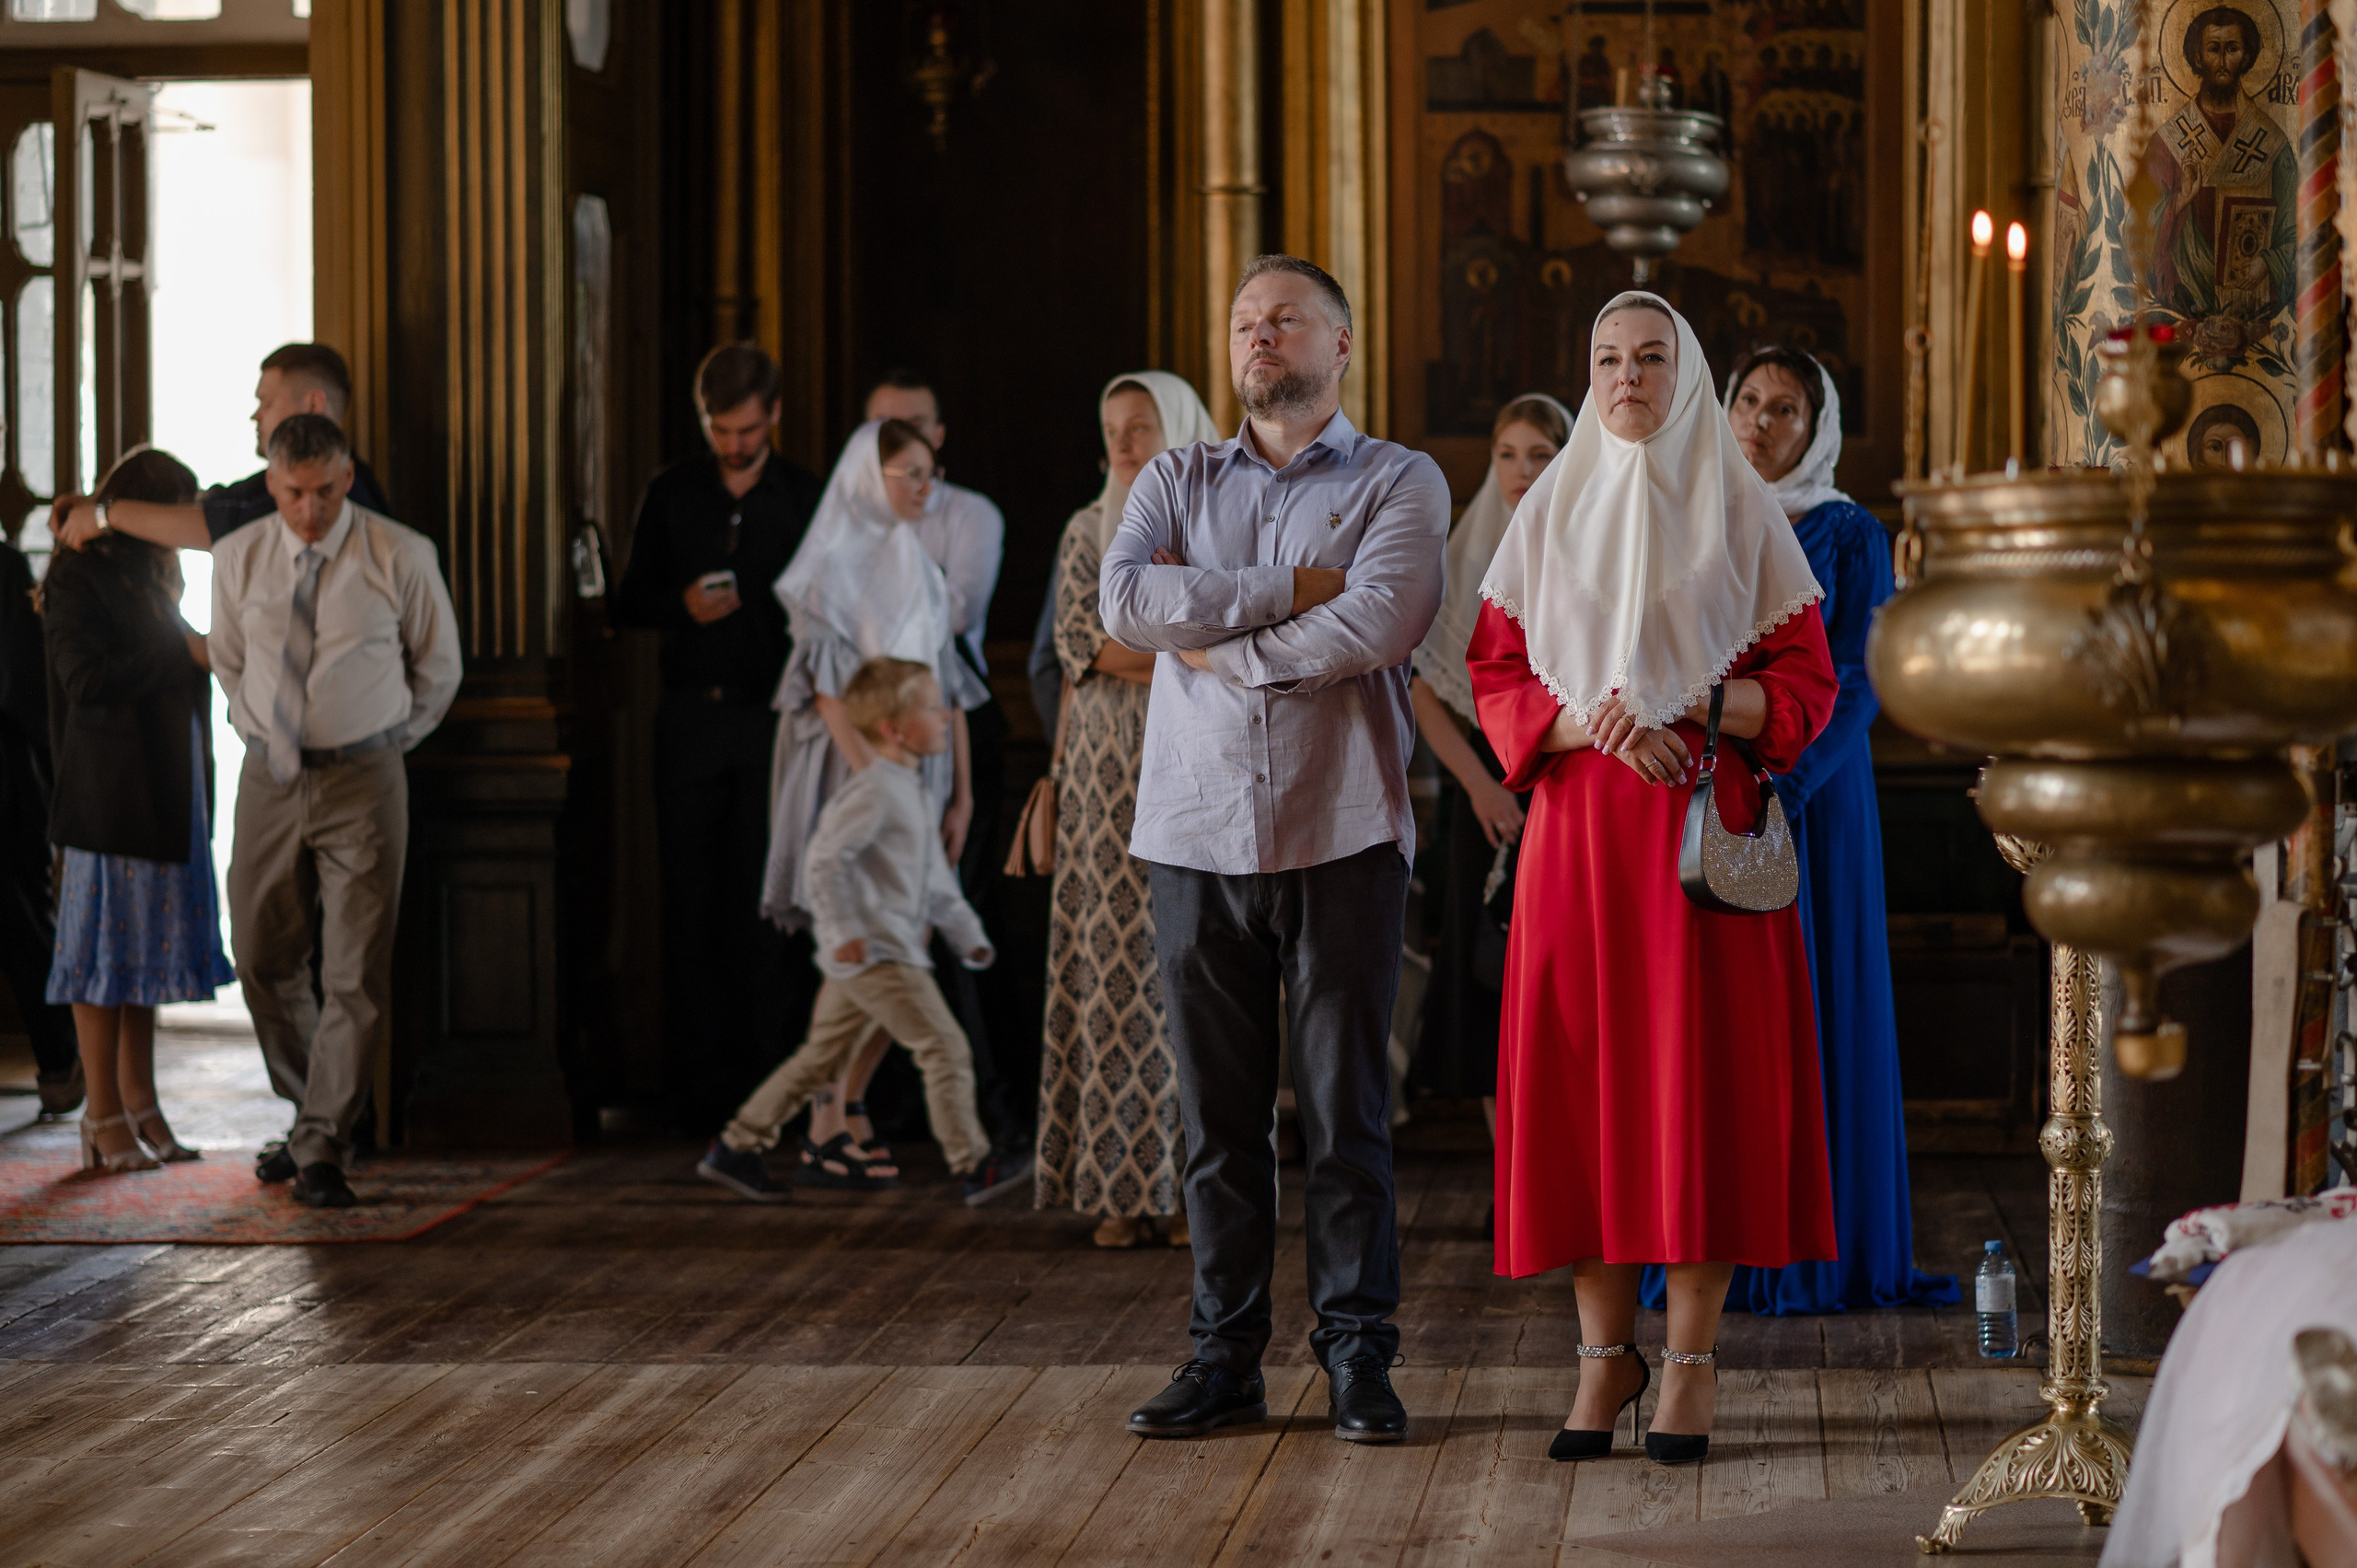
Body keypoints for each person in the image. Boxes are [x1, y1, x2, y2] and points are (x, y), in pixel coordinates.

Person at [1468, 292, 1838, 1466]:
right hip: (1578, 842)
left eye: (1650, 358)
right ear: (1588, 376)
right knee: (1587, 1091)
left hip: (1696, 844)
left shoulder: (1741, 509)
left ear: (1686, 376)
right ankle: (1600, 1357)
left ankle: (1687, 1364)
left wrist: (1692, 701)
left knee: (1698, 1088)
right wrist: (1595, 722)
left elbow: (1806, 690)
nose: (1627, 376)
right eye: (1607, 358)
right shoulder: (1547, 510)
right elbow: (1496, 677)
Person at [1101, 254, 1449, 1446]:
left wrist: (1215, 635)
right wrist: (1291, 586)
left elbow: (1380, 621)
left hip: (1342, 823)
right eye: (1245, 319)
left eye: (1285, 317)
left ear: (1340, 343)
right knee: (1218, 1121)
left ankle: (1358, 1356)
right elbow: (1126, 607)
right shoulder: (1174, 475)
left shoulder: (1400, 477)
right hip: (1195, 829)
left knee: (1347, 1114)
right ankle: (1224, 1357)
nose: (1258, 334)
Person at [1682, 344, 1956, 1315]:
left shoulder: (1848, 532)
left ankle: (1811, 1250)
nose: (1760, 422)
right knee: (1712, 1019)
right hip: (1707, 782)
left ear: (1817, 427)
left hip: (1814, 794)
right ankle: (1706, 1246)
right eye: (1748, 401)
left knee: (1810, 996)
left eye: (1784, 409)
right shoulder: (1694, 517)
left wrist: (1782, 786)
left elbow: (1860, 677)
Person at [760, 419, 1025, 1200]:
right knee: (870, 942)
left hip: (919, 771)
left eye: (929, 473)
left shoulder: (918, 562)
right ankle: (825, 1119)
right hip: (861, 774)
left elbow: (950, 687)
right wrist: (881, 784)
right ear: (866, 479)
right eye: (908, 473)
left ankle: (840, 1109)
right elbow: (829, 697)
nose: (923, 488)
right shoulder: (832, 566)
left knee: (900, 939)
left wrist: (961, 792)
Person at [211, 414, 463, 1209]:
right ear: (272, 483)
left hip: (366, 777)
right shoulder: (237, 556)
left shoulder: (400, 554)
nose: (310, 509)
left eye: (324, 491)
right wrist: (263, 734)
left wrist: (386, 740)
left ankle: (323, 1143)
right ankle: (309, 1114)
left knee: (355, 969)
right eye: (294, 493)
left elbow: (439, 667)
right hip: (270, 776)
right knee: (260, 954)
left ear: (347, 478)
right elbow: (229, 661)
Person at [610, 343, 825, 1132]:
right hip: (689, 719)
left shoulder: (804, 496)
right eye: (719, 430)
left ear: (774, 414)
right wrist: (681, 605)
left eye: (746, 430)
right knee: (690, 902)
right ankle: (700, 1092)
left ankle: (772, 1090)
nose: (733, 445)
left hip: (773, 720)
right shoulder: (672, 490)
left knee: (767, 904)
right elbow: (626, 599)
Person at [1034, 371, 1221, 1249]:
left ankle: (1192, 1195)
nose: (1123, 443)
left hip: (1197, 757)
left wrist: (1173, 630)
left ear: (1176, 429)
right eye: (1112, 427)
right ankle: (1117, 1187)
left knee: (1193, 971)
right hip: (1104, 775)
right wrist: (1193, 632)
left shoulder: (1215, 518)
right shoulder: (1086, 529)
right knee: (1110, 975)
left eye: (1141, 426)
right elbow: (1088, 642)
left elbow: (1228, 623)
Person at [700, 657, 998, 1202]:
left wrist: (968, 937)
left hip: (876, 952)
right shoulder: (877, 792)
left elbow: (934, 881)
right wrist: (843, 933)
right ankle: (975, 1164)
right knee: (944, 1049)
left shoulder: (909, 790)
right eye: (932, 708)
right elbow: (823, 861)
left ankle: (736, 1146)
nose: (946, 717)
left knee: (821, 1061)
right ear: (893, 729)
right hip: (879, 953)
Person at [41, 448, 235, 1173]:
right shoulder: (79, 575)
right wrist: (187, 652)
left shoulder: (148, 575)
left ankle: (140, 1103)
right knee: (101, 961)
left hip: (158, 787)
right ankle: (102, 1114)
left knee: (140, 961)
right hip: (109, 795)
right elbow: (85, 679)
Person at [863, 369, 1022, 1144]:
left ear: (938, 433)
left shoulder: (970, 514)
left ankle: (993, 1104)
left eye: (914, 424)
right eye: (882, 427)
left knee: (961, 908)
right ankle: (888, 1107)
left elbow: (952, 616)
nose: (900, 439)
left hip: (956, 723)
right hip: (873, 735)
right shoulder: (848, 523)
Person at [1406, 394, 1569, 1142]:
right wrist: (1479, 788)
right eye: (1507, 455)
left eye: (1540, 455)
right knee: (1486, 972)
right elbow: (1420, 690)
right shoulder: (1465, 554)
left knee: (1559, 975)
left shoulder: (1591, 542)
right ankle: (1509, 1167)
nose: (1521, 471)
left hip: (1565, 778)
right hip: (1485, 794)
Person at [51, 343, 393, 553]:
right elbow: (211, 502)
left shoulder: (346, 493)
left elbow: (224, 529)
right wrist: (97, 503)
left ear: (314, 404)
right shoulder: (273, 480)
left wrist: (105, 515)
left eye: (267, 402)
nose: (256, 415)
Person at [0, 532, 81, 1117]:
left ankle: (60, 1065)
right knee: (24, 921)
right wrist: (54, 780)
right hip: (6, 777)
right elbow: (25, 687)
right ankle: (59, 1065)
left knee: (23, 919)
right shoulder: (5, 568)